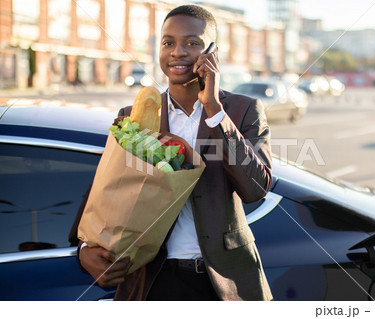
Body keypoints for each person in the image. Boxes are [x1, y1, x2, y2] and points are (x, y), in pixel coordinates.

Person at [71, 4, 273, 301]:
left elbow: (256, 189)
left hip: (223, 283)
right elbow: (104, 188)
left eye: (192, 43)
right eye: (168, 42)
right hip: (152, 280)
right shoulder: (133, 114)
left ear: (213, 53)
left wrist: (214, 109)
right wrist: (84, 250)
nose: (177, 51)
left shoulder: (242, 110)